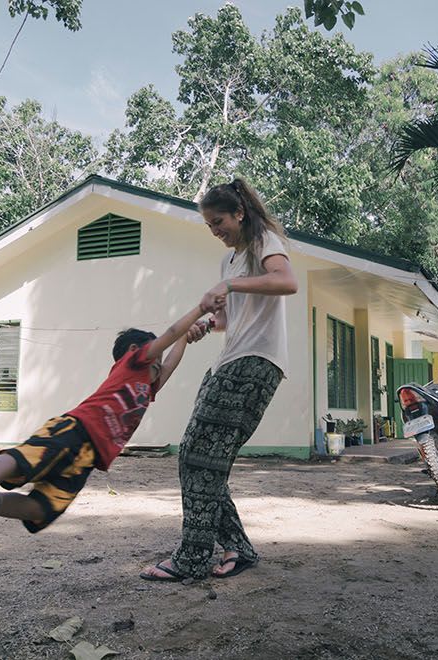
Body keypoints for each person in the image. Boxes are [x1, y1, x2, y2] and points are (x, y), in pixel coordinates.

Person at [0, 300, 217, 530]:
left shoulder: (148, 386)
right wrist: (198, 312)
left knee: (42, 509)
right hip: (74, 430)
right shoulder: (133, 363)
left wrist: (188, 340)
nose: (161, 355)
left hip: (89, 459)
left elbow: (173, 358)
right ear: (137, 350)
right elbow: (173, 332)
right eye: (156, 350)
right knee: (24, 459)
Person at [140, 177, 298, 582]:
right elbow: (229, 319)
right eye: (209, 225)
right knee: (199, 459)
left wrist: (227, 284)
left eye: (219, 222)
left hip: (256, 363)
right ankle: (237, 549)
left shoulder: (263, 242)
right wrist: (206, 325)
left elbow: (286, 282)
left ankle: (193, 558)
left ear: (239, 213)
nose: (215, 231)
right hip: (229, 360)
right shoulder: (227, 262)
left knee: (199, 458)